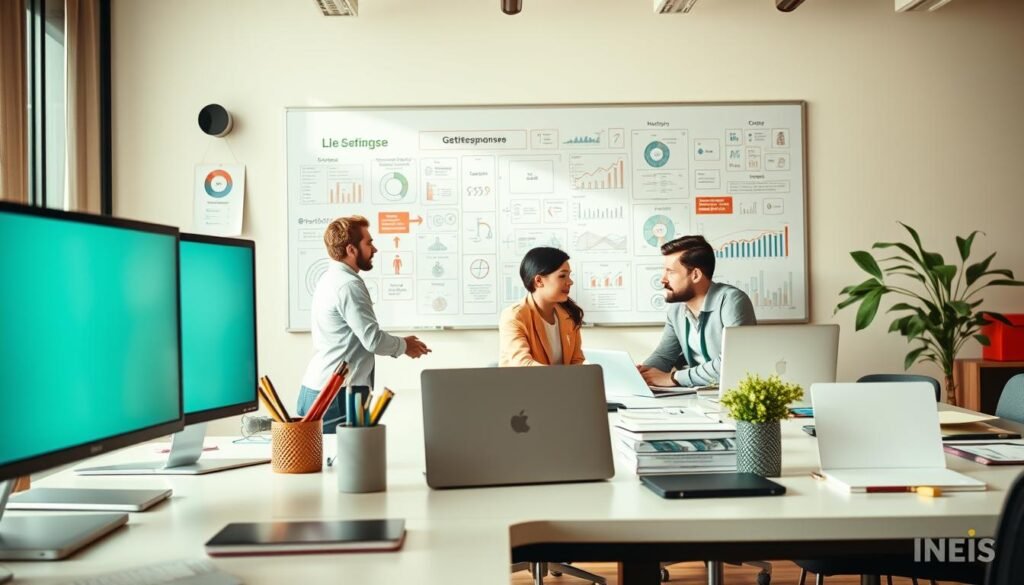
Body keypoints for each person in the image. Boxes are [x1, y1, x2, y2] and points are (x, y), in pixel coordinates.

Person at [299, 215, 431, 432]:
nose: (375, 249)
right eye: (369, 243)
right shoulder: (348, 285)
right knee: (345, 462)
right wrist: (405, 345)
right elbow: (373, 340)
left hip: (318, 389)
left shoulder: (329, 279)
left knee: (328, 462)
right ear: (351, 250)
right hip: (339, 393)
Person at [639, 235, 756, 388]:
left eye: (670, 272)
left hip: (733, 396)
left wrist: (673, 378)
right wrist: (641, 375)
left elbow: (732, 362)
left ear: (695, 275)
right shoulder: (676, 310)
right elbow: (664, 356)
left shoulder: (732, 301)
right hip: (699, 395)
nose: (663, 279)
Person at [499, 247, 585, 367]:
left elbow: (577, 361)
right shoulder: (514, 316)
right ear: (539, 281)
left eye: (569, 276)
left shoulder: (569, 314)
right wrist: (562, 379)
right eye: (562, 276)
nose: (570, 282)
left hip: (563, 384)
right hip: (525, 385)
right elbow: (522, 364)